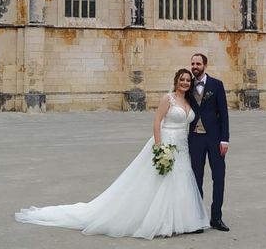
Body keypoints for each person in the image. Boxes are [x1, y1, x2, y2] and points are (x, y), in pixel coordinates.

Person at [14, 69, 209, 239]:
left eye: (187, 80)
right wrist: (159, 146)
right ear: (176, 81)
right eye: (182, 79)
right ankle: (162, 222)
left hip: (182, 146)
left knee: (180, 180)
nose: (184, 82)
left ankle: (180, 221)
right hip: (166, 142)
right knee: (162, 180)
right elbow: (157, 121)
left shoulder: (190, 101)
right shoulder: (168, 99)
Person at [188, 53, 230, 232]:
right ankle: (198, 218)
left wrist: (224, 139)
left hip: (214, 138)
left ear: (205, 65)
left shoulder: (216, 85)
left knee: (218, 177)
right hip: (195, 138)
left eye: (198, 63)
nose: (195, 66)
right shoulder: (187, 84)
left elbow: (224, 114)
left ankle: (216, 217)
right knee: (196, 178)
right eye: (193, 63)